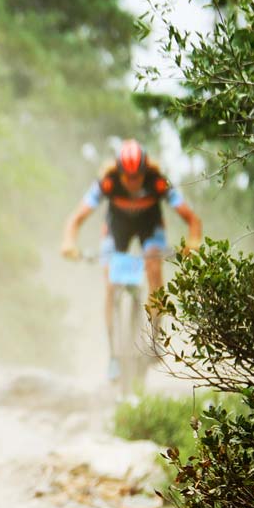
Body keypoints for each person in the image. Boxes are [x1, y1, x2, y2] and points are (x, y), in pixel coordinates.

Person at [60, 139, 202, 379]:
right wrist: (69, 243)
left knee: (154, 266)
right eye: (129, 177)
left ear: (145, 170)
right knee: (110, 283)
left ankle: (155, 337)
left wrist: (194, 242)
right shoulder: (107, 183)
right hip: (117, 230)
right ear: (120, 172)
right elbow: (75, 219)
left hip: (151, 227)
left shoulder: (158, 182)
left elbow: (192, 219)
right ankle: (113, 355)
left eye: (138, 176)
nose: (134, 182)